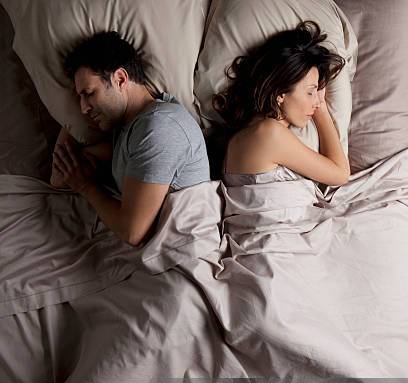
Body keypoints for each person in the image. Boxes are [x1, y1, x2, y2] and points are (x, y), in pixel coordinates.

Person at [52, 31, 210, 246]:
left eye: (89, 93)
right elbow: (58, 178)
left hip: (184, 259)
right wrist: (69, 119)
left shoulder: (159, 128)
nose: (83, 108)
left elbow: (133, 232)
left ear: (120, 79)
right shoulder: (125, 127)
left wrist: (86, 186)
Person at [212, 21, 350, 187]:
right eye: (310, 92)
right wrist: (322, 110)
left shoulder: (244, 134)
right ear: (280, 93)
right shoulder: (271, 133)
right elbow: (340, 175)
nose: (316, 101)